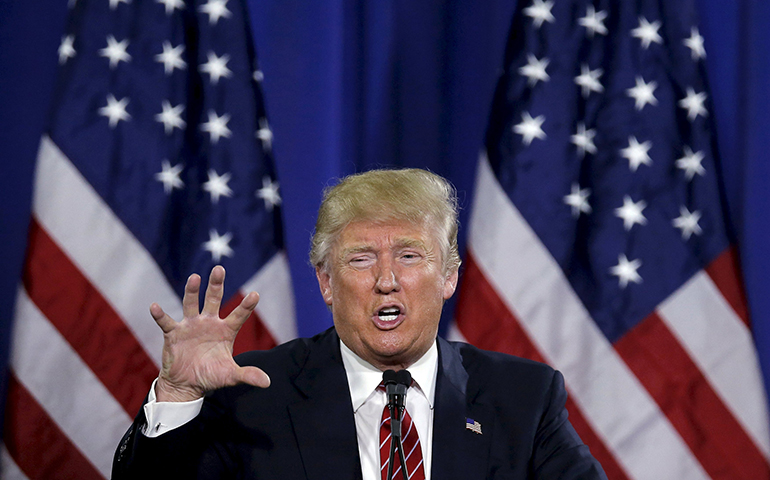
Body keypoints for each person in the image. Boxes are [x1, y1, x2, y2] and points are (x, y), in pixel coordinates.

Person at [112, 168, 606, 479]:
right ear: (326, 283)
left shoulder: (522, 395)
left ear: (450, 276)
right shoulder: (255, 394)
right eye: (362, 259)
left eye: (410, 256)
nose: (387, 280)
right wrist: (177, 397)